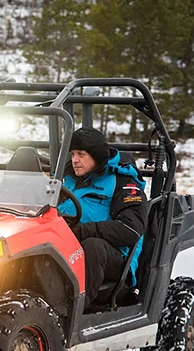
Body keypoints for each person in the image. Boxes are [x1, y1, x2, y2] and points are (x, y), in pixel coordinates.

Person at [57, 127, 147, 307]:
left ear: (96, 156)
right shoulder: (65, 178)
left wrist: (83, 231)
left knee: (93, 247)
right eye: (73, 154)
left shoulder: (122, 182)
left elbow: (131, 229)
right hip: (65, 244)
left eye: (81, 154)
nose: (75, 160)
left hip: (112, 259)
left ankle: (74, 312)